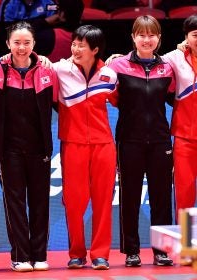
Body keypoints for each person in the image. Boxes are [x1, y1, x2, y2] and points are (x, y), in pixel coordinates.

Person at [0, 21, 58, 272]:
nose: (21, 47)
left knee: (40, 202)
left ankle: (39, 254)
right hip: (9, 148)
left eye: (26, 42)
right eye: (16, 42)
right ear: (8, 44)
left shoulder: (47, 71)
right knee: (15, 202)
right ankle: (20, 254)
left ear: (34, 44)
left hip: (40, 148)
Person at [108, 15, 175, 267]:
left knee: (161, 196)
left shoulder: (168, 67)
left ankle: (162, 251)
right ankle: (132, 250)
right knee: (130, 196)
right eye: (142, 35)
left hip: (160, 140)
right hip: (129, 139)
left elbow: (175, 95)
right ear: (133, 37)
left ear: (159, 38)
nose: (147, 40)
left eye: (152, 35)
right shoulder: (117, 67)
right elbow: (109, 96)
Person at [54, 25, 117, 270]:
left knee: (103, 201)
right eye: (74, 43)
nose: (75, 49)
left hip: (103, 145)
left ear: (96, 50)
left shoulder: (110, 74)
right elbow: (34, 63)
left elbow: (123, 100)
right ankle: (77, 253)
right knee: (74, 201)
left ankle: (100, 254)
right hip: (73, 144)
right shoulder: (61, 69)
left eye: (82, 45)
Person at [162, 14, 197, 223]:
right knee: (184, 194)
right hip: (185, 137)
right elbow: (148, 60)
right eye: (195, 35)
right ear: (186, 37)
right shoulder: (175, 58)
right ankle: (187, 248)